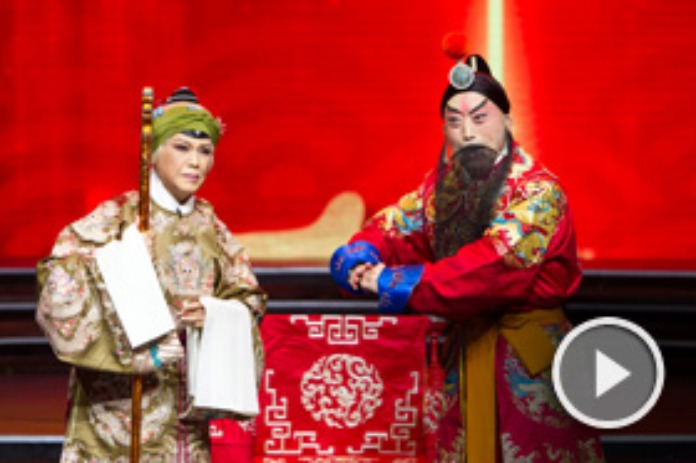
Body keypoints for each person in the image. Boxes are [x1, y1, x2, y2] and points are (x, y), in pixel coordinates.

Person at [330, 33, 605, 462]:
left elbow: (489, 270)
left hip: (528, 364)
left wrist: (390, 281)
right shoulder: (441, 190)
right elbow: (396, 226)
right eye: (454, 122)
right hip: (464, 356)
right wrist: (361, 253)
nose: (468, 132)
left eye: (480, 117)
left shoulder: (537, 192)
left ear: (508, 121)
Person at [36, 87, 266, 462]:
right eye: (182, 147)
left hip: (183, 405)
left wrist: (216, 314)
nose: (195, 162)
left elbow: (248, 296)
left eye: (205, 151)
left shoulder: (212, 228)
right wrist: (119, 260)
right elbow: (58, 280)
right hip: (116, 404)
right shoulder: (118, 216)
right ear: (152, 153)